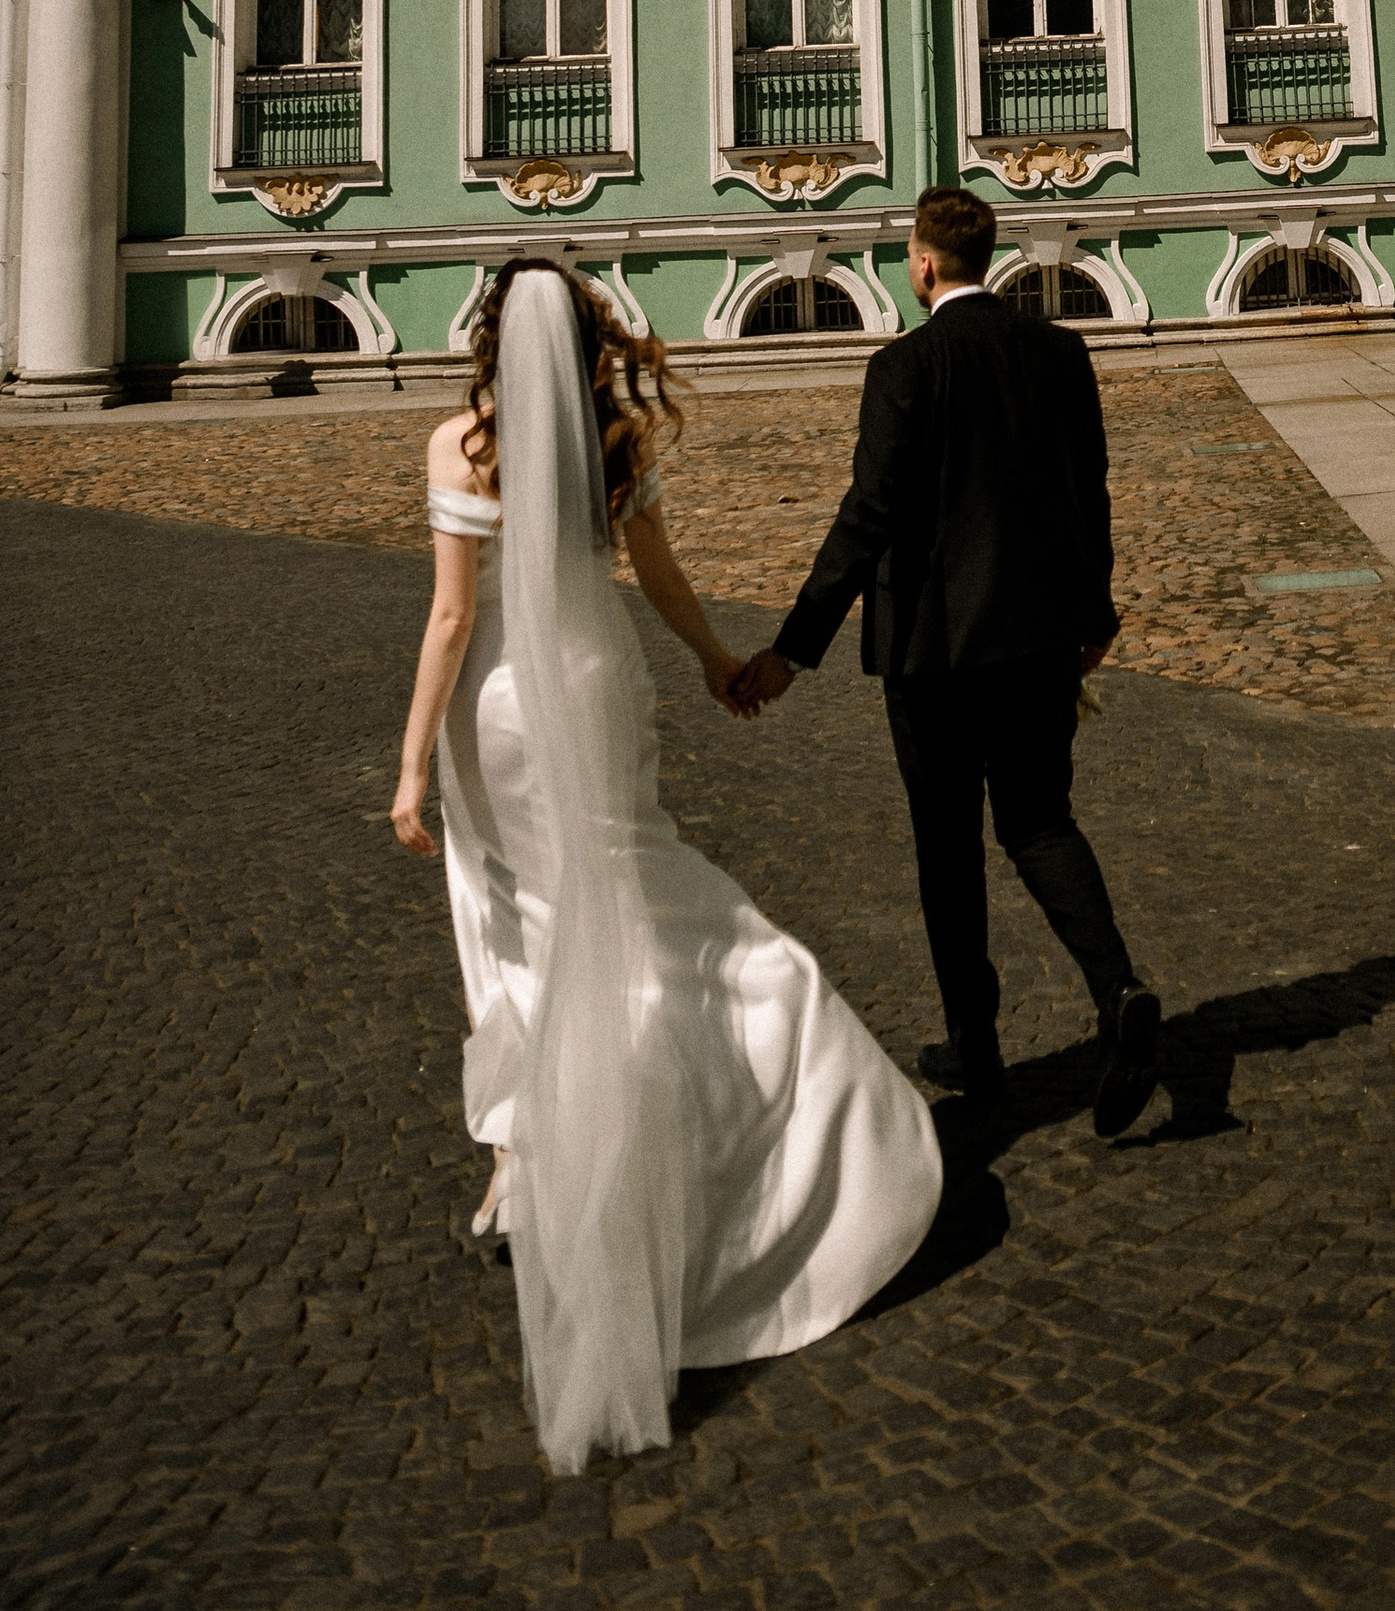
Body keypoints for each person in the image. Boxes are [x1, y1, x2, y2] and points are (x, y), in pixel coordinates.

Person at [389, 258, 942, 1476]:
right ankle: (736, 1072)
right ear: (592, 334)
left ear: (489, 337)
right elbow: (660, 576)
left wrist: (414, 763)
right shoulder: (621, 437)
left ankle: (528, 1156)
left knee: (516, 916)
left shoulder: (460, 443)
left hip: (499, 713)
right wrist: (712, 658)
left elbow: (446, 618)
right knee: (640, 891)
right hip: (597, 689)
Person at [727, 184, 1158, 1136]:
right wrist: (1097, 605)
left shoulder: (904, 367)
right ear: (990, 254)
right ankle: (1118, 987)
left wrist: (796, 648)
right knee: (1041, 820)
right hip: (1045, 634)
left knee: (948, 846)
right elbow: (1089, 485)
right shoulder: (1059, 349)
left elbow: (869, 515)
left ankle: (976, 1041)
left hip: (937, 649)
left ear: (922, 264)